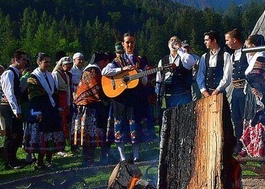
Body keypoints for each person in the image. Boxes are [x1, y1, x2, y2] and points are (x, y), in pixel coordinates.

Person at [103, 33, 153, 163]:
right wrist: (123, 69)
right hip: (120, 99)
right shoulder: (116, 61)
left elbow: (144, 82)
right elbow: (105, 72)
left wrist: (141, 74)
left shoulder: (140, 61)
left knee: (135, 125)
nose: (130, 45)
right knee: (121, 126)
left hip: (135, 99)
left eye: (132, 42)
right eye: (127, 43)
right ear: (123, 45)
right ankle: (122, 156)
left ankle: (136, 155)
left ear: (134, 44)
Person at [23, 52, 66, 169]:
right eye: (45, 62)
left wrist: (58, 107)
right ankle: (40, 162)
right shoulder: (33, 77)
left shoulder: (50, 76)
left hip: (51, 110)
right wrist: (37, 112)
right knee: (42, 137)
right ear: (39, 62)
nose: (48, 64)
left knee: (51, 136)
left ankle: (49, 160)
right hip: (41, 110)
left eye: (49, 61)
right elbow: (33, 96)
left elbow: (55, 93)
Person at [73, 52, 110, 165]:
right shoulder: (93, 71)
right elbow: (96, 89)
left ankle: (90, 160)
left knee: (90, 135)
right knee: (89, 135)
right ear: (102, 61)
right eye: (105, 63)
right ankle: (88, 160)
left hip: (89, 105)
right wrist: (106, 100)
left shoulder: (90, 70)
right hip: (88, 106)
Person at [0, 50, 29, 168]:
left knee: (17, 133)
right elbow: (9, 93)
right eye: (23, 59)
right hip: (9, 107)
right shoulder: (9, 73)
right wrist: (16, 110)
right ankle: (9, 161)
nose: (25, 62)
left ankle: (13, 158)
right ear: (16, 60)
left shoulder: (16, 73)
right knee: (11, 134)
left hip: (14, 106)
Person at [156, 36, 196, 109]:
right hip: (169, 96)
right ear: (168, 45)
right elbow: (159, 80)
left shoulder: (184, 57)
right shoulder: (162, 61)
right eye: (172, 40)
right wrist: (159, 96)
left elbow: (192, 62)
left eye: (176, 40)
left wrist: (180, 50)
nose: (174, 41)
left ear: (180, 44)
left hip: (184, 95)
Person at [225, 29, 248, 148]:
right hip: (236, 90)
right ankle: (239, 144)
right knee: (236, 118)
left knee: (246, 118)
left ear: (234, 40)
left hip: (245, 90)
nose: (226, 43)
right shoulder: (233, 55)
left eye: (228, 40)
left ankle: (247, 144)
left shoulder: (247, 51)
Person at [196, 30, 233, 99]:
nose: (205, 42)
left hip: (220, 93)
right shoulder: (204, 57)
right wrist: (204, 91)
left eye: (207, 40)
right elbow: (200, 75)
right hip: (206, 94)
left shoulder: (225, 55)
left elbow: (227, 77)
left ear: (214, 40)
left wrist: (217, 90)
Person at [52, 56, 74, 148]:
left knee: (66, 121)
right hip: (59, 99)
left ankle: (66, 143)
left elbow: (68, 89)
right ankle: (59, 144)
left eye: (70, 66)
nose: (69, 68)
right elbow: (55, 90)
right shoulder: (55, 74)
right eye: (67, 66)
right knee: (61, 122)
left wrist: (69, 103)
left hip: (65, 100)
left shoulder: (67, 75)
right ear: (62, 65)